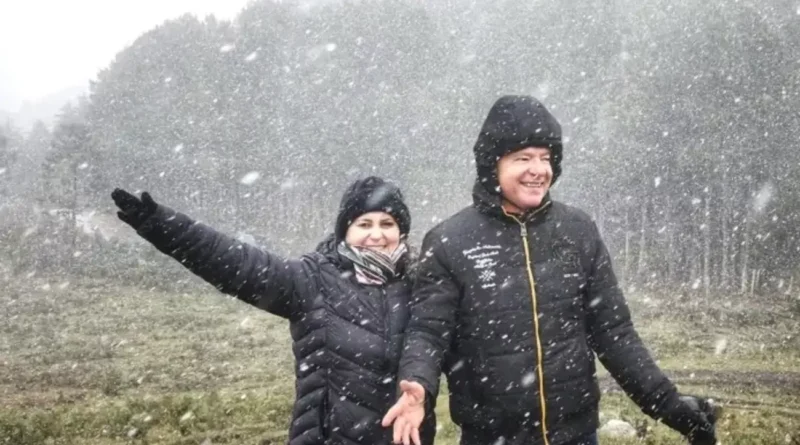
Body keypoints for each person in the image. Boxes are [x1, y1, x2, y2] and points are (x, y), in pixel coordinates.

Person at [381, 95, 717, 445]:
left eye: (545, 158)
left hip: (576, 435)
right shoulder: (450, 241)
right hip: (491, 437)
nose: (538, 169)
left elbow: (614, 335)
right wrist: (417, 384)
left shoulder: (577, 231)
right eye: (523, 158)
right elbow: (428, 332)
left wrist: (669, 405)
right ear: (492, 164)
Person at [111, 176, 437, 445]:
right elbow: (235, 262)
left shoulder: (423, 285)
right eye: (364, 223)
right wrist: (163, 226)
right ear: (345, 231)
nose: (377, 234)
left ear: (401, 231)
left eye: (387, 223)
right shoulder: (310, 280)